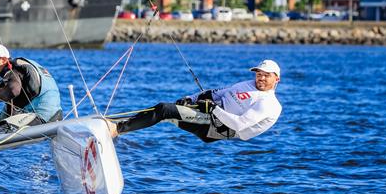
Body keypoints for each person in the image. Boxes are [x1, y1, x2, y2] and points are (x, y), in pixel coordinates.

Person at [114, 60, 283, 142]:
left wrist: (213, 109)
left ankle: (117, 129)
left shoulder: (269, 104)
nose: (260, 78)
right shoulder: (247, 84)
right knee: (165, 112)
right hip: (210, 115)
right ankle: (120, 124)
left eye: (266, 75)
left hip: (220, 129)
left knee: (164, 109)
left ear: (276, 79)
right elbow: (219, 92)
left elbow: (239, 125)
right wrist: (192, 98)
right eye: (258, 74)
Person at [0, 43, 63, 126]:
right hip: (53, 113)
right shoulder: (15, 70)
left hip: (44, 116)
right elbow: (12, 100)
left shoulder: (14, 70)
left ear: (3, 60)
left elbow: (13, 90)